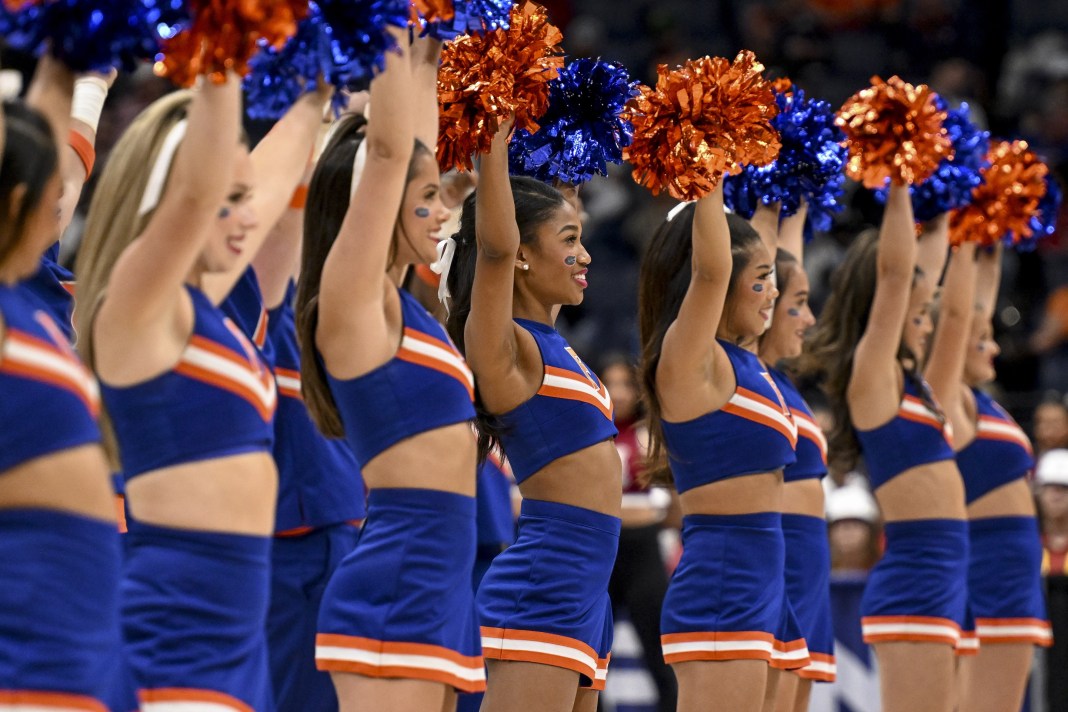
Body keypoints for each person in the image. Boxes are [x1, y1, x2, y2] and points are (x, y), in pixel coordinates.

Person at [75, 71, 283, 709]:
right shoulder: (136, 298)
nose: (248, 217)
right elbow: (195, 193)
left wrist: (319, 94)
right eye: (230, 197)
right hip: (176, 627)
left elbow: (269, 191)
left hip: (241, 627)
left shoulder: (208, 310)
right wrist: (223, 52)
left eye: (246, 197)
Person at [296, 34, 485, 711]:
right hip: (397, 581)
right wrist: (387, 35)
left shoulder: (411, 306)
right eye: (426, 200)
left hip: (440, 580)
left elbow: (410, 158)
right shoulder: (352, 300)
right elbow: (388, 153)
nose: (440, 213)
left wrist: (430, 46)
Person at [445, 117, 622, 712]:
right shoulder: (504, 345)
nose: (584, 255)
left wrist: (565, 153)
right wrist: (491, 143)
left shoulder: (557, 344)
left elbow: (542, 215)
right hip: (544, 579)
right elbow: (494, 243)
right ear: (522, 255)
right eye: (569, 240)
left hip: (589, 585)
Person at [638, 186, 809, 712]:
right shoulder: (691, 358)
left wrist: (786, 195)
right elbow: (713, 269)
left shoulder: (748, 361)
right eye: (759, 281)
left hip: (765, 578)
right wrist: (707, 168)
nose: (773, 293)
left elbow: (770, 253)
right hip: (724, 583)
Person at [800, 192, 968, 712]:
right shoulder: (871, 375)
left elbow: (940, 296)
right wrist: (900, 180)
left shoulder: (915, 384)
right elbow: (899, 278)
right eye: (914, 304)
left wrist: (950, 211)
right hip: (915, 577)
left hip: (947, 574)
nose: (923, 307)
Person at [0, 52, 123, 708]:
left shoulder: (29, 290)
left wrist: (78, 62)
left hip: (79, 646)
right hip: (27, 648)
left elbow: (54, 170)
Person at [926, 241, 1051, 712]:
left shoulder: (982, 401)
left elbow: (973, 308)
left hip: (1012, 582)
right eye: (982, 340)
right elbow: (958, 316)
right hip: (987, 578)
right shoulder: (946, 398)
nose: (994, 345)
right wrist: (959, 241)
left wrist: (992, 233)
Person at [757, 205, 837, 712]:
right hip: (777, 563)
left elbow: (786, 265)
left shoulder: (783, 382)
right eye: (800, 304)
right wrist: (766, 205)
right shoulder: (745, 371)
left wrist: (797, 199)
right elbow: (769, 266)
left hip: (809, 565)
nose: (809, 318)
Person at [600, 355, 678, 712]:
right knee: (590, 655)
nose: (618, 393)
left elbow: (671, 508)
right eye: (610, 384)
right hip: (600, 552)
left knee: (660, 655)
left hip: (643, 551)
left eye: (625, 385)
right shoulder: (587, 434)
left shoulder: (650, 436)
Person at [825, 484, 882, 575]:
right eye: (840, 525)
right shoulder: (818, 574)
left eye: (855, 524)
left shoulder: (884, 571)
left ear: (871, 532)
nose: (848, 531)